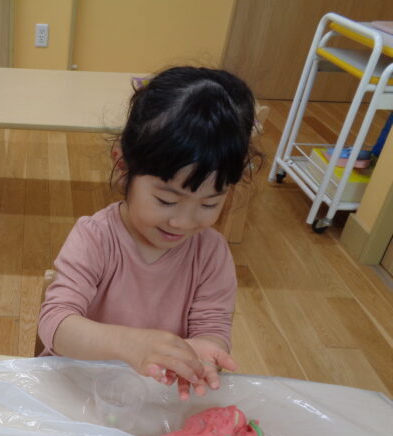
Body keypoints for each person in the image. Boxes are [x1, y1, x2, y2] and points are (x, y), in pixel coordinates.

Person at [38, 66, 259, 399]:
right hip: (79, 387)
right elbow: (55, 323)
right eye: (166, 200)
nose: (183, 223)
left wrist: (204, 350)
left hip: (156, 395)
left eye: (210, 203)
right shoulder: (96, 237)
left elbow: (211, 329)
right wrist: (128, 344)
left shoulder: (211, 253)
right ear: (124, 166)